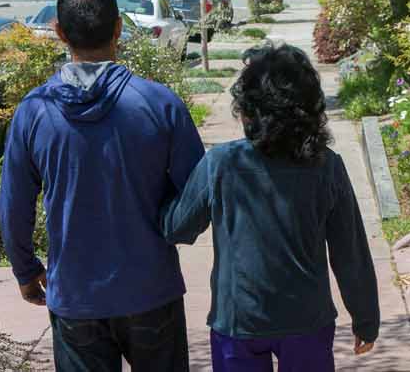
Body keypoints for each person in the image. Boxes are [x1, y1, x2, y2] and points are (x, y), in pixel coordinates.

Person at [0, 0, 205, 371]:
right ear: (119, 30)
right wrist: (172, 231)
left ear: (59, 32)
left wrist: (25, 269)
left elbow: (13, 204)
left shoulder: (34, 111)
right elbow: (198, 194)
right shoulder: (159, 104)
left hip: (77, 296)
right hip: (151, 290)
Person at [162, 44, 379, 372]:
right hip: (308, 319)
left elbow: (177, 227)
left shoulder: (221, 164)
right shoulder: (326, 166)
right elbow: (350, 252)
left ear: (248, 109)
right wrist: (365, 318)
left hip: (238, 321)